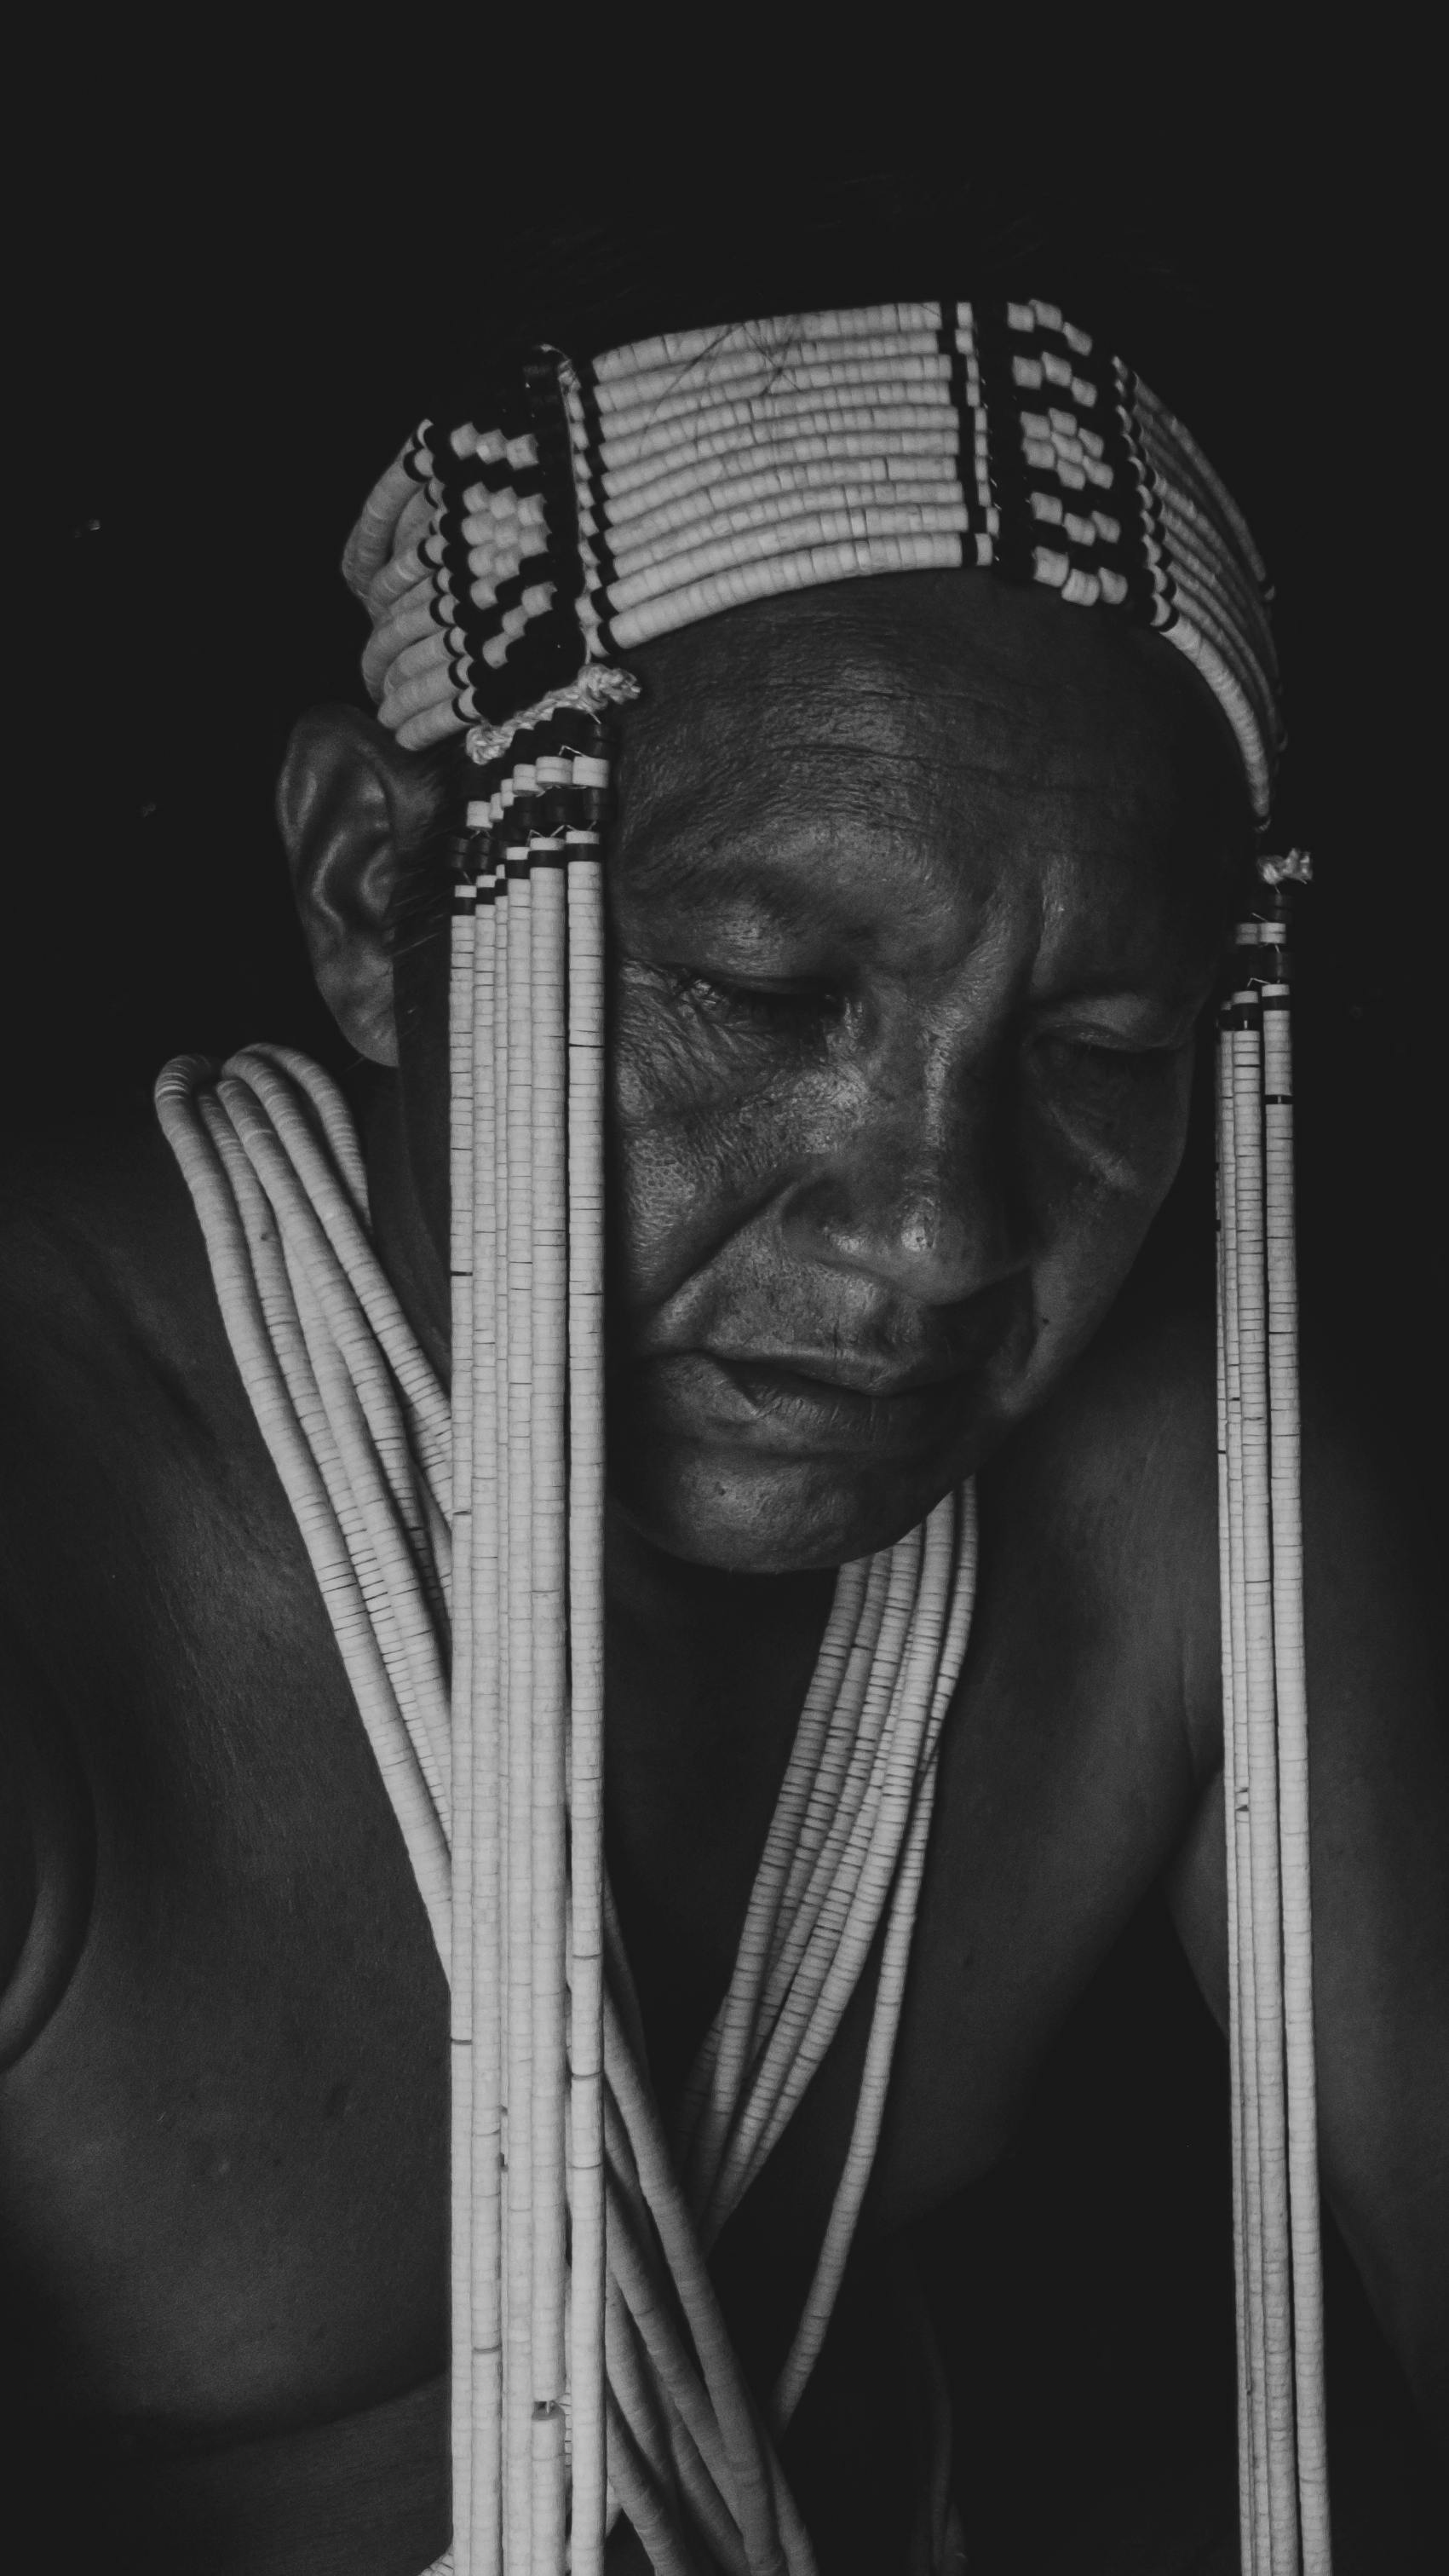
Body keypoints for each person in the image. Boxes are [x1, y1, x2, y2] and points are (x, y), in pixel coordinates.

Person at [2, 187, 1445, 2573]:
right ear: (380, 899)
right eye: (765, 997)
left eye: (1100, 1050)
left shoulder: (1200, 1498)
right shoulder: (56, 1561)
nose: (943, 1233)